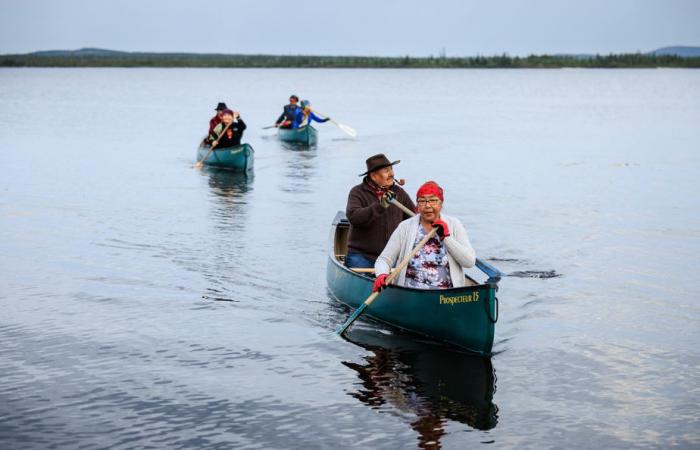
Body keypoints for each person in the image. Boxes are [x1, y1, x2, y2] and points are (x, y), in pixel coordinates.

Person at [373, 181, 476, 291]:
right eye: (422, 201)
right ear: (417, 206)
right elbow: (384, 260)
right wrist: (382, 274)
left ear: (441, 204)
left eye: (433, 200)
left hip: (447, 297)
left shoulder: (454, 224)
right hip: (410, 294)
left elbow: (469, 262)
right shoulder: (405, 227)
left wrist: (446, 238)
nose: (427, 205)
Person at [345, 154, 415, 268]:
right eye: (386, 170)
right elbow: (354, 217)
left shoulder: (399, 192)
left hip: (392, 257)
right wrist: (380, 206)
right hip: (362, 256)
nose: (391, 174)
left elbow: (414, 218)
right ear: (373, 176)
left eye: (391, 169)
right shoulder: (357, 192)